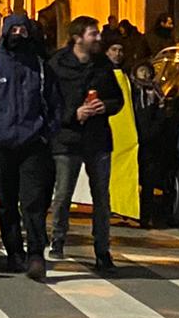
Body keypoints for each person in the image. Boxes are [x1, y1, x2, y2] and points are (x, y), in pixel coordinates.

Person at [0, 14, 61, 280]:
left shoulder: (41, 68)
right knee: (7, 202)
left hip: (33, 144)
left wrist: (46, 135)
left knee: (33, 202)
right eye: (14, 30)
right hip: (1, 145)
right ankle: (14, 253)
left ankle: (36, 254)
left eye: (23, 30)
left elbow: (56, 105)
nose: (19, 35)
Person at [46, 15, 125, 275]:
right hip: (67, 139)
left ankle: (102, 249)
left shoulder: (102, 64)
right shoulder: (57, 64)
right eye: (94, 33)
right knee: (63, 193)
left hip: (98, 139)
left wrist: (106, 106)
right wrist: (73, 114)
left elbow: (118, 99)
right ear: (78, 37)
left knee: (101, 196)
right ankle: (57, 239)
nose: (99, 38)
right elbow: (49, 103)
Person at [128, 59, 176, 226]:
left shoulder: (156, 91)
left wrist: (154, 130)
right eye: (142, 71)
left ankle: (145, 215)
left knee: (148, 180)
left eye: (148, 71)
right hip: (133, 140)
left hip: (151, 142)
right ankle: (130, 210)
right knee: (132, 177)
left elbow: (162, 114)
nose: (145, 75)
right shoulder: (131, 90)